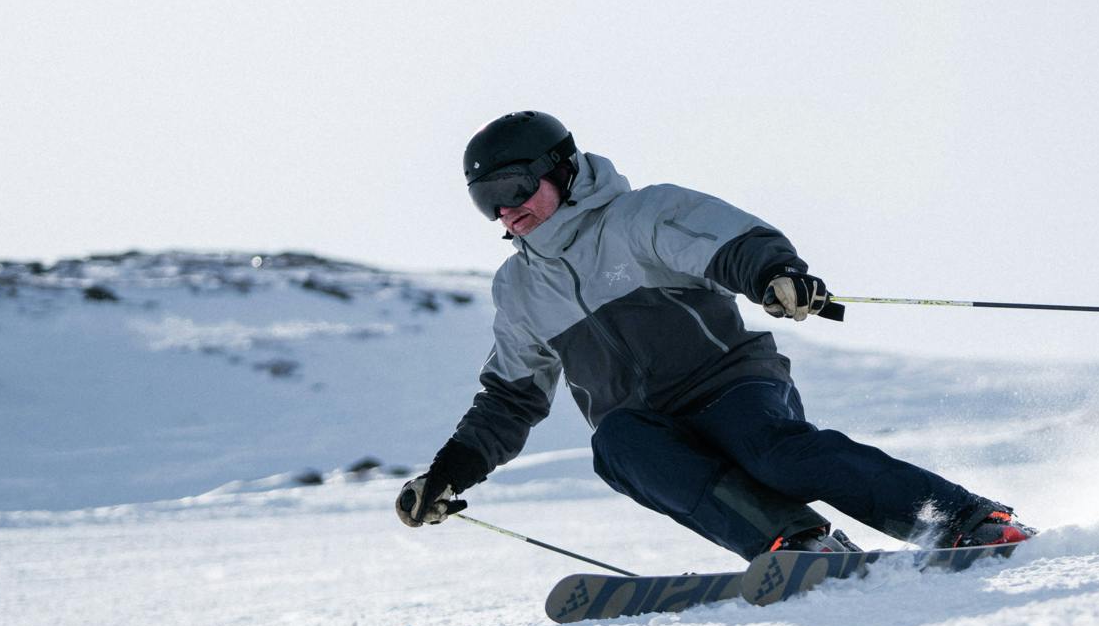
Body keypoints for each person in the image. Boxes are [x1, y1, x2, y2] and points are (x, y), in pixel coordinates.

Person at [395, 110, 1033, 561]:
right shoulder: (519, 288)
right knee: (615, 444)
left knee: (773, 453)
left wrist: (773, 274)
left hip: (727, 383)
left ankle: (966, 520)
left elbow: (724, 241)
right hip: (646, 423)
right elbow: (510, 399)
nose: (506, 210)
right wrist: (450, 473)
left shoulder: (637, 215)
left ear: (560, 171)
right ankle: (799, 544)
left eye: (514, 187)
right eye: (488, 200)